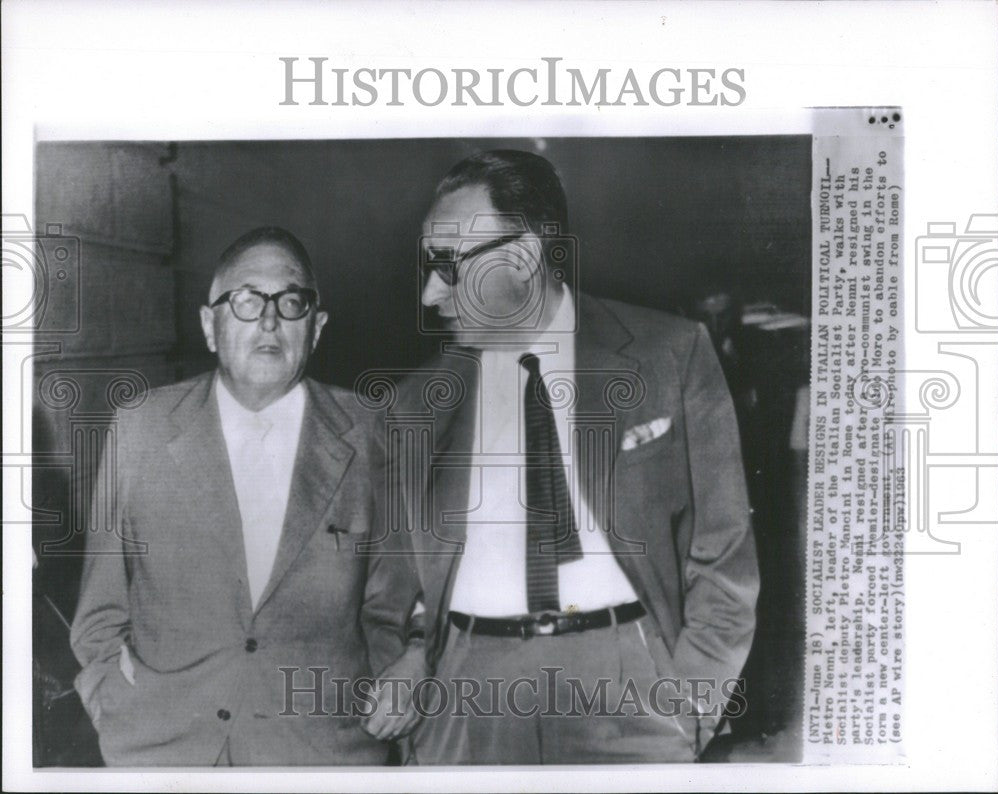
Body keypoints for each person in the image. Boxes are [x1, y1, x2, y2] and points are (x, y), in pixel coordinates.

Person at [389, 150, 759, 764]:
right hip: (467, 695)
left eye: (449, 267)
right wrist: (412, 661)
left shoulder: (670, 354)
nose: (431, 293)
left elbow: (724, 556)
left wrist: (689, 705)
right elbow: (395, 578)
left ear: (527, 253)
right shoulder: (416, 406)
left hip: (629, 684)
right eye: (428, 268)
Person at [70, 227, 420, 765]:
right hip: (163, 752)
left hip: (320, 755)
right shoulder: (139, 427)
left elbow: (400, 603)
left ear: (316, 327)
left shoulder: (373, 432)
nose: (269, 320)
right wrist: (110, 703)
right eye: (246, 300)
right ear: (210, 325)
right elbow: (99, 612)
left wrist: (409, 666)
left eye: (291, 301)